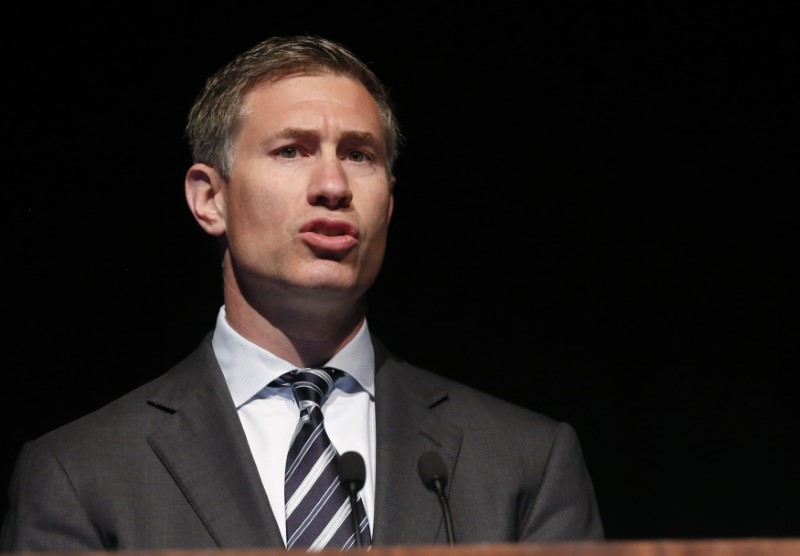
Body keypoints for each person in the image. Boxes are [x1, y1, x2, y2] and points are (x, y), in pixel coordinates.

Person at [1, 35, 604, 551]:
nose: (334, 185)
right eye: (292, 151)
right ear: (210, 198)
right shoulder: (80, 473)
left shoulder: (526, 460)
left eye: (359, 155)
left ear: (388, 203)